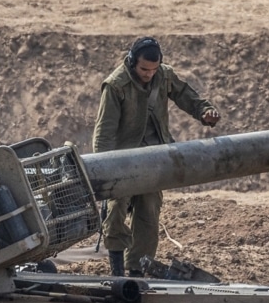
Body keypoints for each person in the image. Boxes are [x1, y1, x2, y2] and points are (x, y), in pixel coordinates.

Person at [92, 36, 221, 277]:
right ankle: (117, 272)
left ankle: (137, 271)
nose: (149, 74)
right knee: (116, 211)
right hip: (123, 160)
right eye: (144, 69)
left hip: (155, 157)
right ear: (132, 62)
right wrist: (105, 171)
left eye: (153, 69)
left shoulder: (164, 75)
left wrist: (204, 111)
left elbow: (186, 95)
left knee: (149, 214)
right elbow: (104, 132)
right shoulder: (116, 85)